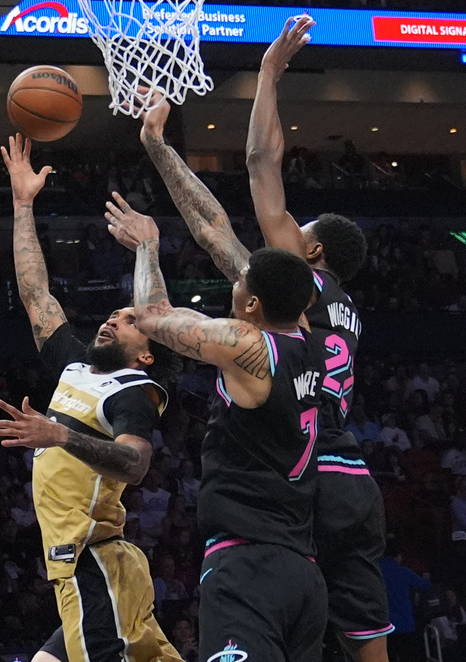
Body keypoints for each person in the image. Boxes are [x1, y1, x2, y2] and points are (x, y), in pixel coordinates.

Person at [135, 16, 389, 662]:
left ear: (313, 252)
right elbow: (215, 233)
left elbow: (258, 164)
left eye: (294, 230)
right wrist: (161, 152)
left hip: (303, 478)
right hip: (355, 476)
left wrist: (269, 73)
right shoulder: (332, 310)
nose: (282, 228)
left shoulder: (296, 285)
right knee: (365, 642)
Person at [0, 134, 181, 662]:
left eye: (130, 320)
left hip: (96, 561)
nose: (114, 317)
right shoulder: (74, 363)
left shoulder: (135, 390)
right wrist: (24, 204)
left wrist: (59, 434)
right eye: (114, 313)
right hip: (86, 567)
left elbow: (136, 465)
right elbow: (34, 294)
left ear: (148, 355)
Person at [104, 195, 327, 661]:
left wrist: (147, 245)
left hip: (249, 566)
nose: (236, 278)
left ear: (252, 303)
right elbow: (223, 239)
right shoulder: (306, 337)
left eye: (242, 281)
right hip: (301, 570)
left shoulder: (247, 345)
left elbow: (151, 316)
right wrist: (157, 144)